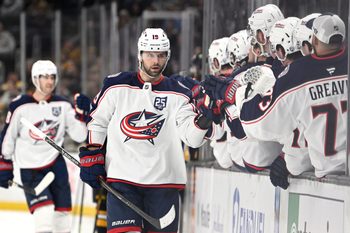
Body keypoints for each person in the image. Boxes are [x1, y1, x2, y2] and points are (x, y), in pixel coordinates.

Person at [78, 28, 212, 233]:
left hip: (164, 187)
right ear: (140, 55)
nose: (155, 60)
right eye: (150, 54)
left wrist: (207, 117)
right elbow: (97, 121)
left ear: (167, 57)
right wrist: (94, 153)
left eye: (160, 55)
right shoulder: (116, 85)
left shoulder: (180, 93)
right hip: (123, 182)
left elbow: (192, 139)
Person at [236, 13, 347, 188]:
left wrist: (241, 95)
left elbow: (257, 121)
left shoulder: (298, 74)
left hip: (328, 182)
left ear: (314, 41)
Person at [0, 60, 90, 233]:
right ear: (35, 79)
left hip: (56, 165)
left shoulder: (63, 105)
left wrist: (81, 115)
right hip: (31, 169)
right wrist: (4, 165)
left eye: (52, 77)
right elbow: (7, 139)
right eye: (44, 77)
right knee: (44, 218)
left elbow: (80, 135)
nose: (49, 81)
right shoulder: (20, 106)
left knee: (62, 221)